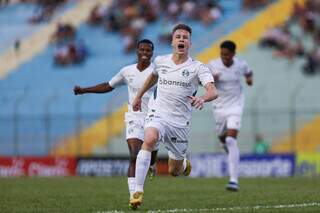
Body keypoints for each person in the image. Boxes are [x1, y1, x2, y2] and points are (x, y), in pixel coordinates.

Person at [130, 23, 218, 209]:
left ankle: (183, 164)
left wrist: (202, 98)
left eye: (185, 37)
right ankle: (137, 191)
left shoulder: (198, 68)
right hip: (158, 114)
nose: (181, 40)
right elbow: (153, 76)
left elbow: (213, 91)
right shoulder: (161, 61)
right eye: (178, 36)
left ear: (189, 43)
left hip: (179, 124)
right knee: (149, 138)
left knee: (174, 171)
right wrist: (138, 96)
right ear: (172, 41)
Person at [73, 39, 158, 208]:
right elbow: (108, 85)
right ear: (136, 50)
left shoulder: (157, 72)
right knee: (134, 155)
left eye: (148, 51)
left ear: (152, 53)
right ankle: (134, 196)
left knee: (149, 151)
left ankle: (152, 163)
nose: (145, 53)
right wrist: (84, 90)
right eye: (142, 49)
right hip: (134, 117)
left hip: (154, 118)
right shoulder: (127, 71)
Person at [207, 40, 253, 192]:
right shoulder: (212, 65)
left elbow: (248, 72)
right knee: (222, 137)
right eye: (222, 54)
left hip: (236, 105)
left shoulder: (241, 64)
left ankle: (234, 180)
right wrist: (212, 79)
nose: (224, 57)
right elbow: (203, 82)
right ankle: (224, 145)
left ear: (233, 54)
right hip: (219, 106)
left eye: (226, 55)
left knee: (231, 139)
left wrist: (249, 80)